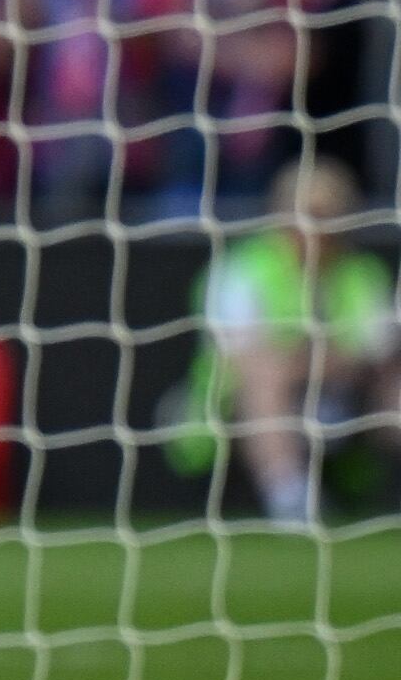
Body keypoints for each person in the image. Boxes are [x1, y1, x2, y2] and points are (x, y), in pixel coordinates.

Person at [171, 154, 401, 523]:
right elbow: (242, 359)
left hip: (343, 394)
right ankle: (291, 500)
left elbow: (378, 354)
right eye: (309, 213)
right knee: (265, 378)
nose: (319, 228)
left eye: (330, 215)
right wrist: (321, 359)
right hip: (234, 408)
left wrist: (315, 362)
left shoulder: (361, 273)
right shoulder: (243, 269)